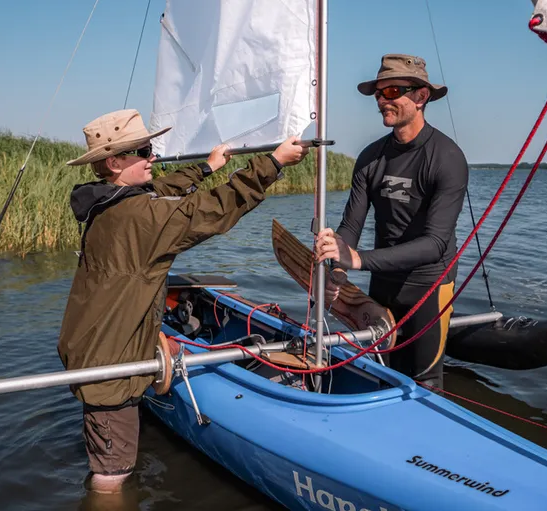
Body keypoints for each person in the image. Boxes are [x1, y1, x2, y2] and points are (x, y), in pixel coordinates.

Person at [57, 109, 308, 494]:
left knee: (114, 459)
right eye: (142, 150)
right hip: (109, 366)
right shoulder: (139, 216)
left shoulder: (111, 203)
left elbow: (164, 190)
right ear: (114, 161)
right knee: (113, 475)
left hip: (95, 345)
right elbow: (209, 210)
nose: (152, 155)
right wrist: (272, 164)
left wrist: (206, 168)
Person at [314, 54, 469, 390]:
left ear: (421, 96)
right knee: (385, 376)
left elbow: (435, 244)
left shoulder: (447, 158)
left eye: (392, 91)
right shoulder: (371, 157)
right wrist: (338, 269)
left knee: (425, 383)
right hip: (382, 283)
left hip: (428, 286)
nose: (382, 101)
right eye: (379, 93)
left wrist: (357, 260)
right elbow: (351, 226)